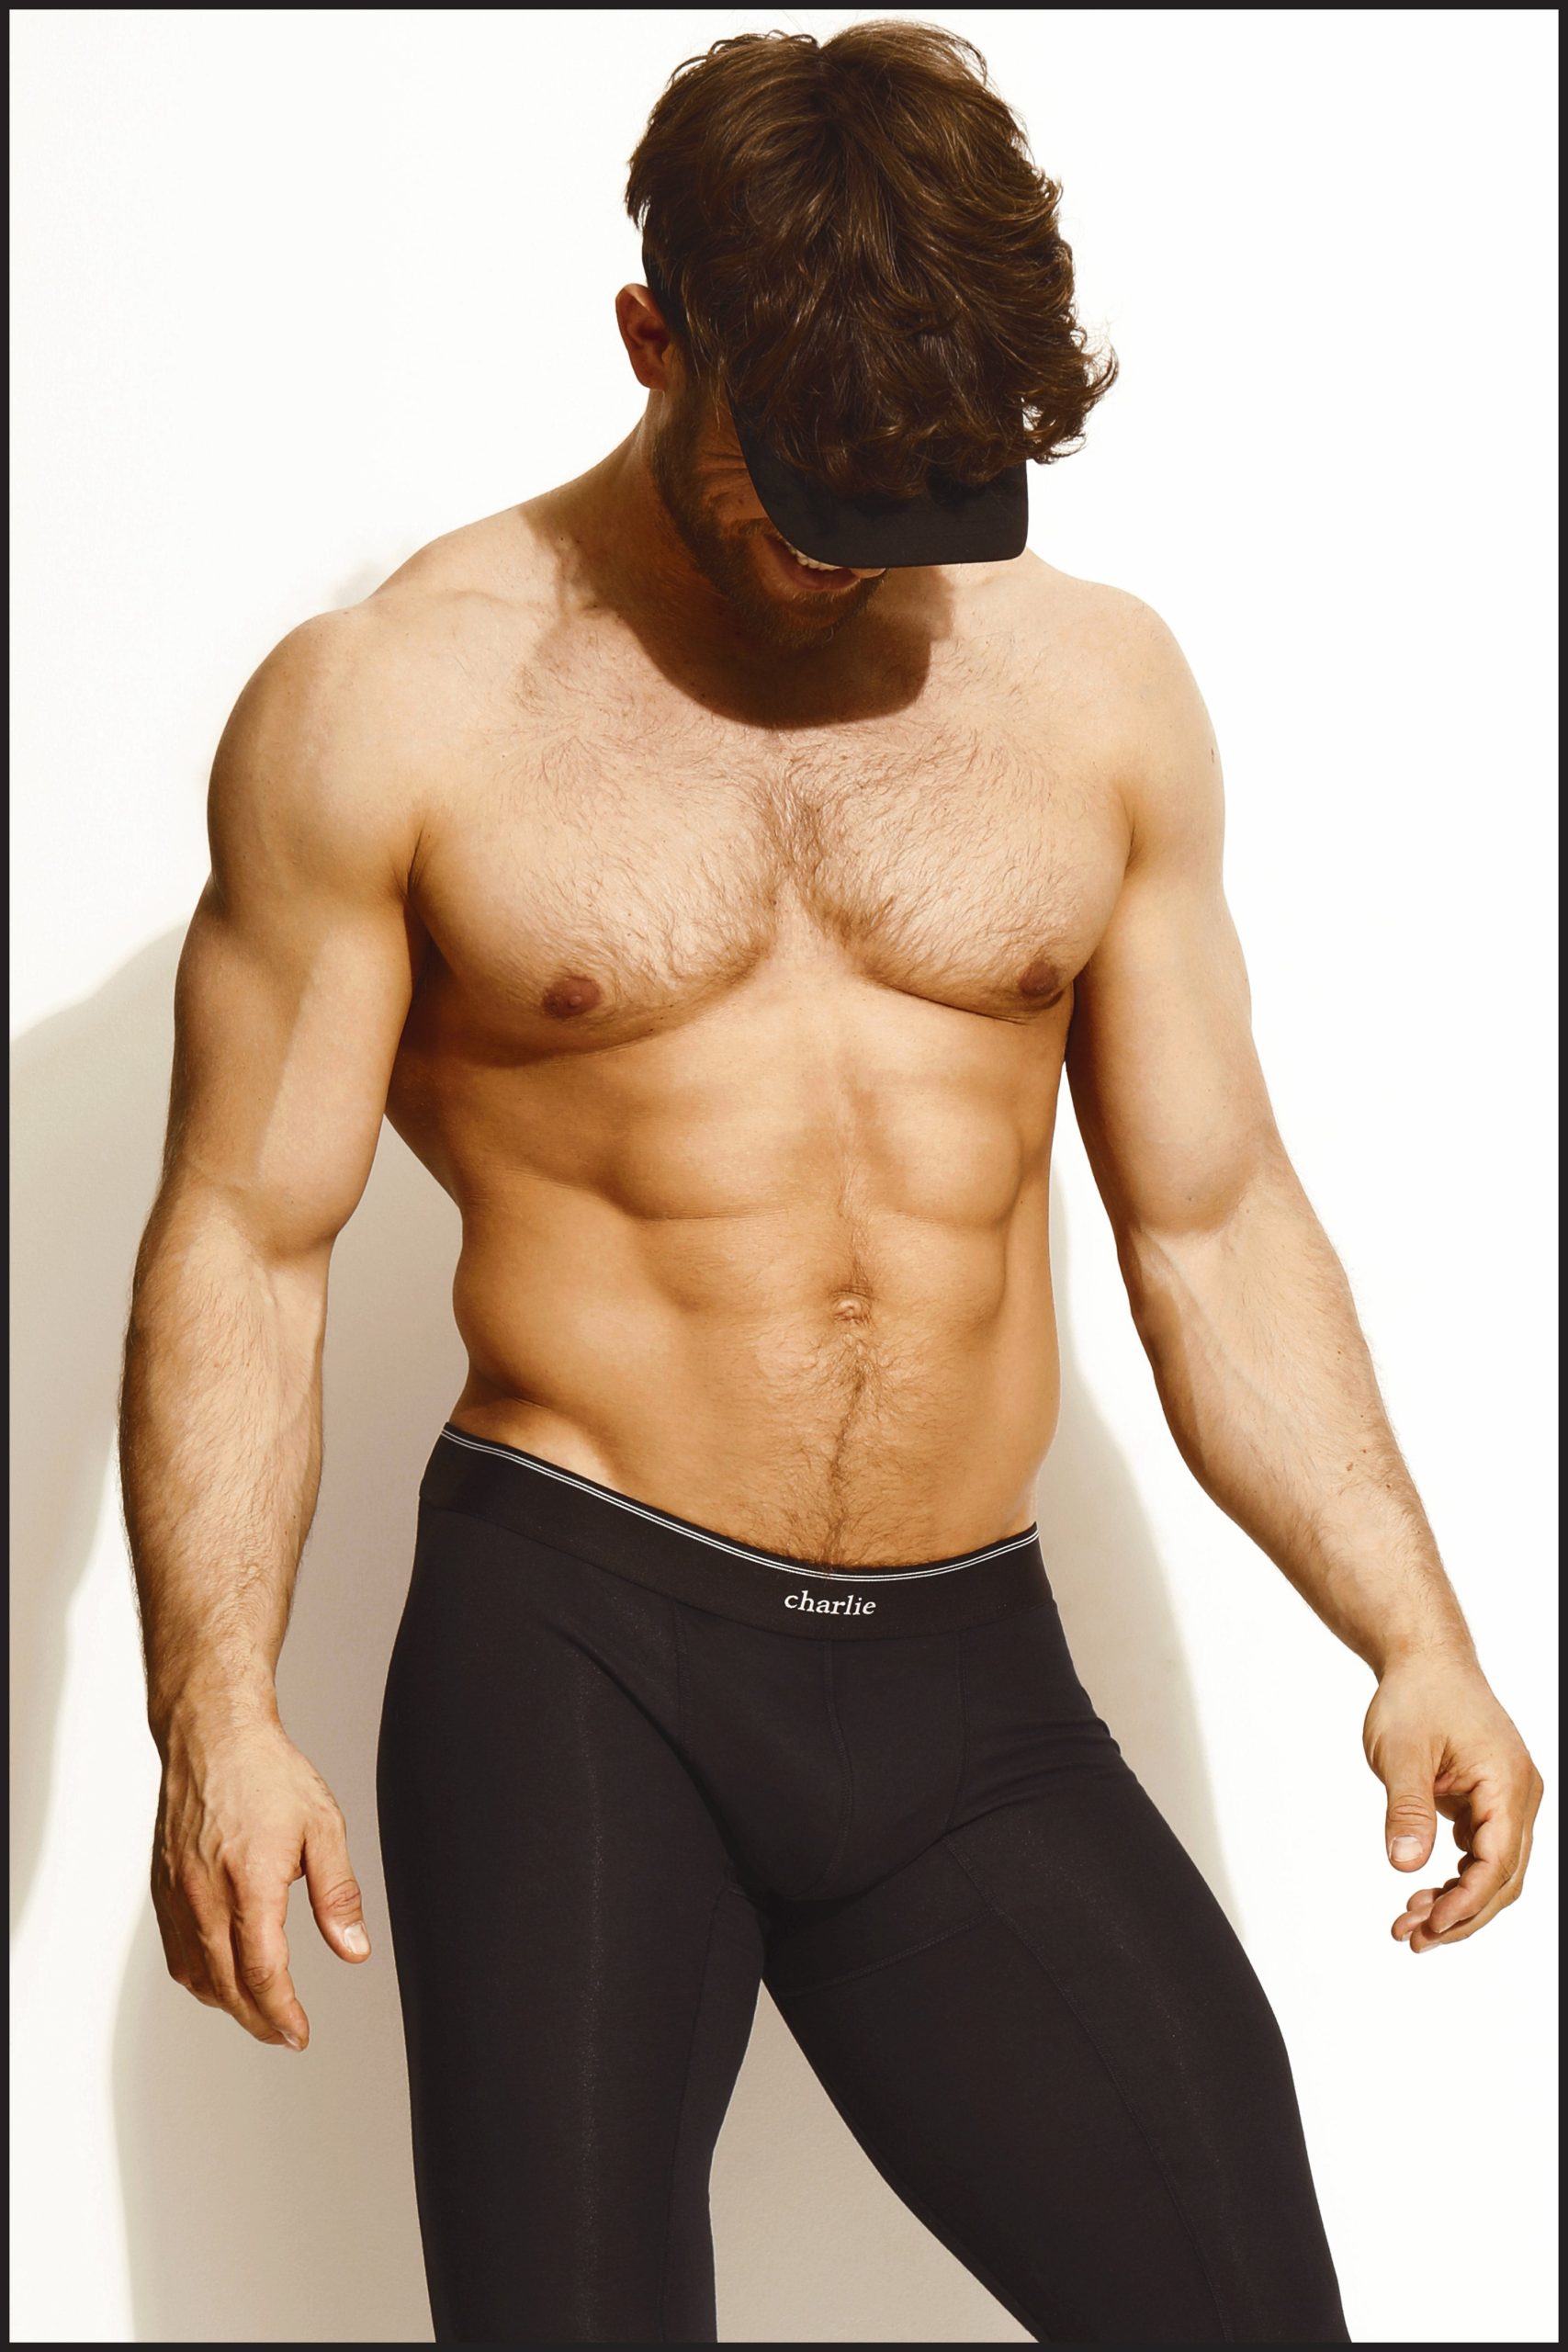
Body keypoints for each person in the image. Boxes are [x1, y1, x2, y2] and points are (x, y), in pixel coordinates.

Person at [119, 22, 1541, 2346]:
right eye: (804, 489)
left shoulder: (1093, 695)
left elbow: (1208, 1216)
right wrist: (218, 1711)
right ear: (648, 338)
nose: (848, 553)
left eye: (920, 496)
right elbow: (247, 1243)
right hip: (576, 1656)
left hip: (967, 1689)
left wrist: (1412, 1628)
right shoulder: (394, 707)